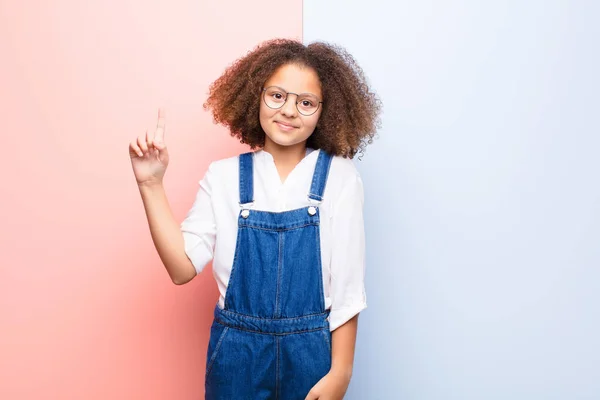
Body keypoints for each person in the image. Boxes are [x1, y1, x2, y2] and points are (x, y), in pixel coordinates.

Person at [128, 38, 381, 400]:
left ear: (326, 111)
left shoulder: (340, 177)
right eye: (277, 96)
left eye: (305, 102)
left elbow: (348, 290)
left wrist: (341, 372)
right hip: (236, 353)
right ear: (255, 96)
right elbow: (181, 268)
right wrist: (151, 184)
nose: (289, 111)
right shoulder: (223, 176)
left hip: (310, 351)